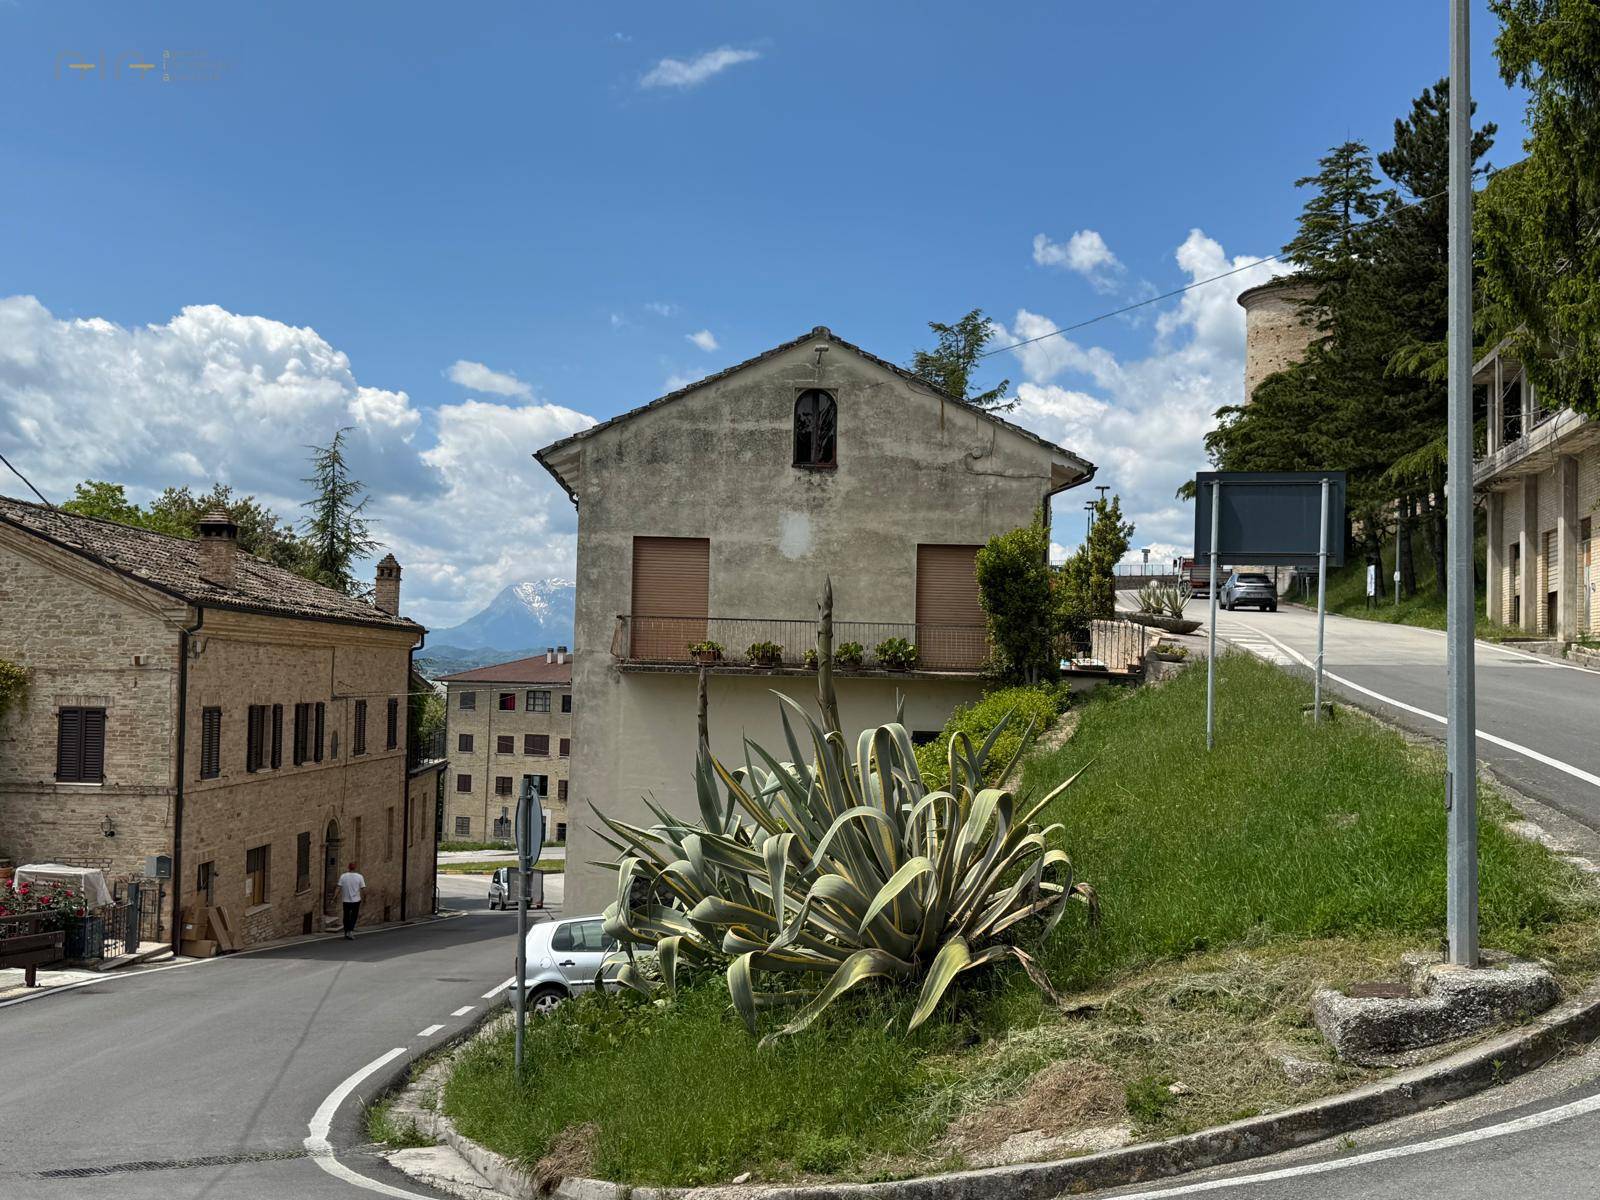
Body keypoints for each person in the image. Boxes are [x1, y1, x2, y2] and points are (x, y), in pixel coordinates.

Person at [335, 862, 366, 940]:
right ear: (355, 868)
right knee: (353, 916)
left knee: (346, 916)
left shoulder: (343, 876)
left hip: (346, 900)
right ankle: (350, 931)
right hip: (356, 900)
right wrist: (365, 898)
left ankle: (346, 931)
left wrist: (334, 897)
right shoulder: (360, 877)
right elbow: (363, 889)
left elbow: (338, 888)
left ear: (348, 867)